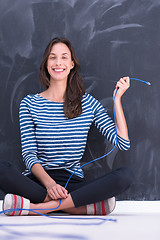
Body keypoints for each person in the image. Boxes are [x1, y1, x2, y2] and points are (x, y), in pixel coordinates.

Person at [1, 37, 134, 216]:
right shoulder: (29, 104)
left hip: (73, 182)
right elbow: (29, 155)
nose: (58, 63)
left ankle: (35, 208)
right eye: (52, 57)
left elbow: (123, 143)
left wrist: (117, 100)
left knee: (125, 176)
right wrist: (50, 185)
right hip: (38, 182)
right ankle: (79, 207)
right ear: (46, 64)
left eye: (64, 57)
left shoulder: (88, 103)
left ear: (72, 64)